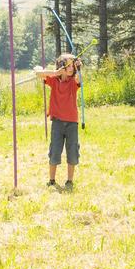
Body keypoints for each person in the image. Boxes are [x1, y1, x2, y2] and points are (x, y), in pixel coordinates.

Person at [34, 53, 82, 190]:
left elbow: (80, 80)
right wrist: (55, 73)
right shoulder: (54, 80)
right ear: (61, 66)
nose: (71, 68)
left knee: (72, 151)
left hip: (72, 123)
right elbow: (38, 73)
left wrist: (79, 69)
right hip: (57, 123)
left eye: (73, 65)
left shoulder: (73, 82)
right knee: (55, 150)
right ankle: (52, 180)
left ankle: (69, 181)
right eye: (69, 65)